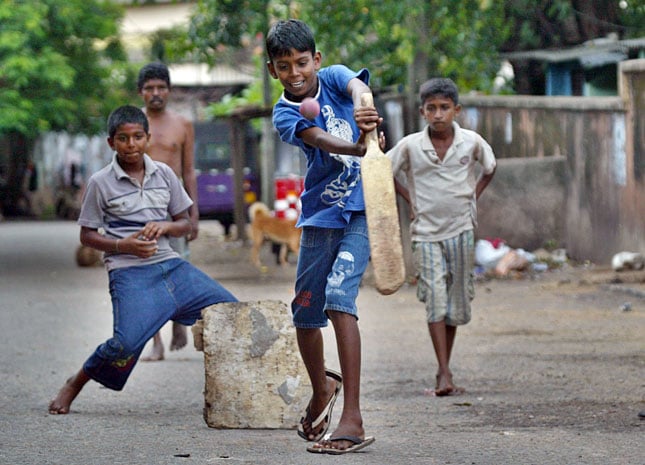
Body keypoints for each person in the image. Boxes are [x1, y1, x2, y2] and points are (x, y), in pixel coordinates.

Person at [48, 105, 237, 414]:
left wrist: (165, 226)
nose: (131, 144)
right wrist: (124, 245)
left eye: (138, 137)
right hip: (129, 272)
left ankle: (234, 391)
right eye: (123, 138)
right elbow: (87, 236)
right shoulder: (100, 182)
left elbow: (185, 223)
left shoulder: (164, 174)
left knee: (232, 313)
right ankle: (75, 383)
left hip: (171, 266)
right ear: (111, 142)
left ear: (148, 138)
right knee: (124, 346)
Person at [265, 19, 380, 455]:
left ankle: (352, 417)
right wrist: (356, 147)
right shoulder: (284, 111)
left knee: (337, 297)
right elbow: (319, 138)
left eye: (301, 62)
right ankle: (322, 388)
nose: (295, 73)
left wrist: (365, 111)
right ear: (273, 70)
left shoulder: (332, 78)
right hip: (320, 215)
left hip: (363, 208)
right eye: (284, 66)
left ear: (316, 59)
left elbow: (358, 91)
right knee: (306, 311)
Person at [387, 78, 497, 396]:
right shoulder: (409, 146)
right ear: (422, 111)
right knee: (434, 297)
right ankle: (445, 373)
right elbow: (384, 171)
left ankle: (443, 367)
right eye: (431, 108)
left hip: (461, 229)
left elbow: (489, 168)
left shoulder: (472, 142)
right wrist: (410, 200)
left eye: (444, 108)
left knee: (455, 301)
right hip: (425, 233)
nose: (438, 115)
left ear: (456, 110)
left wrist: (472, 196)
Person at [137, 62, 199, 361]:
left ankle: (178, 321)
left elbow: (188, 171)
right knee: (146, 271)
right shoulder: (134, 124)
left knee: (177, 267)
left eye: (161, 87)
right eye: (150, 88)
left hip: (174, 205)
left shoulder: (182, 124)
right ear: (141, 92)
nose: (156, 93)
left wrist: (192, 214)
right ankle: (156, 341)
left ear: (169, 91)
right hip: (140, 203)